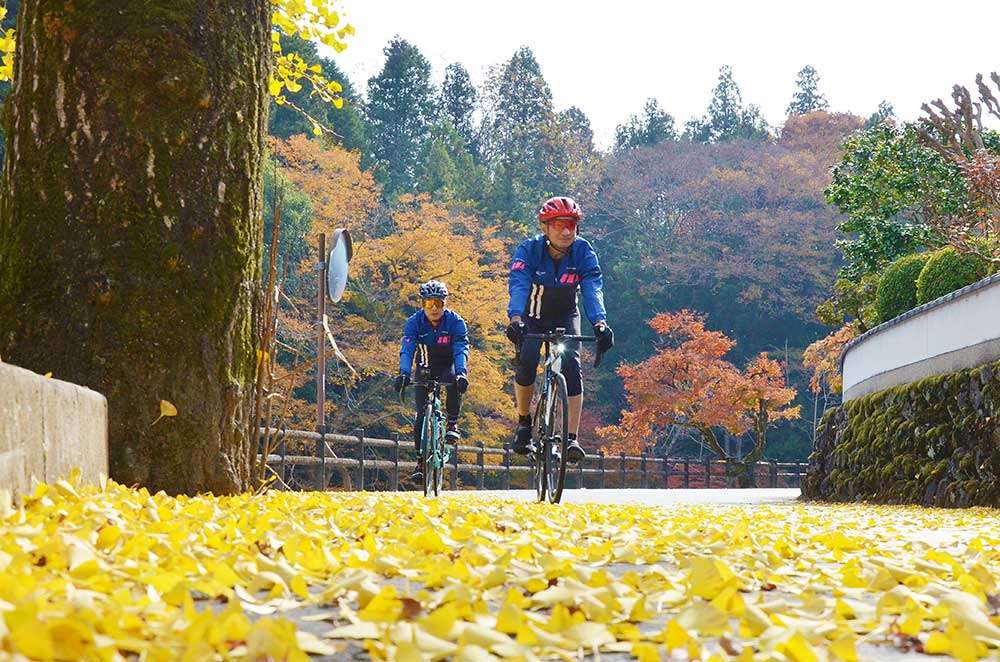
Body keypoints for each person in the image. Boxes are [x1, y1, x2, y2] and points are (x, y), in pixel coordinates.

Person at [506, 196, 614, 463]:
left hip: (566, 314)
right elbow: (519, 283)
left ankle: (571, 439)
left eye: (572, 225)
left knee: (572, 366)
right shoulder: (529, 250)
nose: (566, 231)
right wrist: (515, 318)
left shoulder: (584, 252)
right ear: (545, 227)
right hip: (532, 315)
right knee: (528, 361)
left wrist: (599, 323)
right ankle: (523, 421)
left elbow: (592, 288)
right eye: (558, 225)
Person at [394, 280, 470, 477]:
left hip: (448, 365)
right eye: (429, 303)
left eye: (438, 303)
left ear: (445, 303)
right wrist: (404, 373)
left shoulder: (456, 322)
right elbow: (408, 348)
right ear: (422, 304)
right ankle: (420, 461)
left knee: (454, 380)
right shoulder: (414, 322)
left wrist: (462, 372)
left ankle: (452, 423)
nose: (434, 308)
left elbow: (461, 348)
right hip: (425, 366)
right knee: (421, 414)